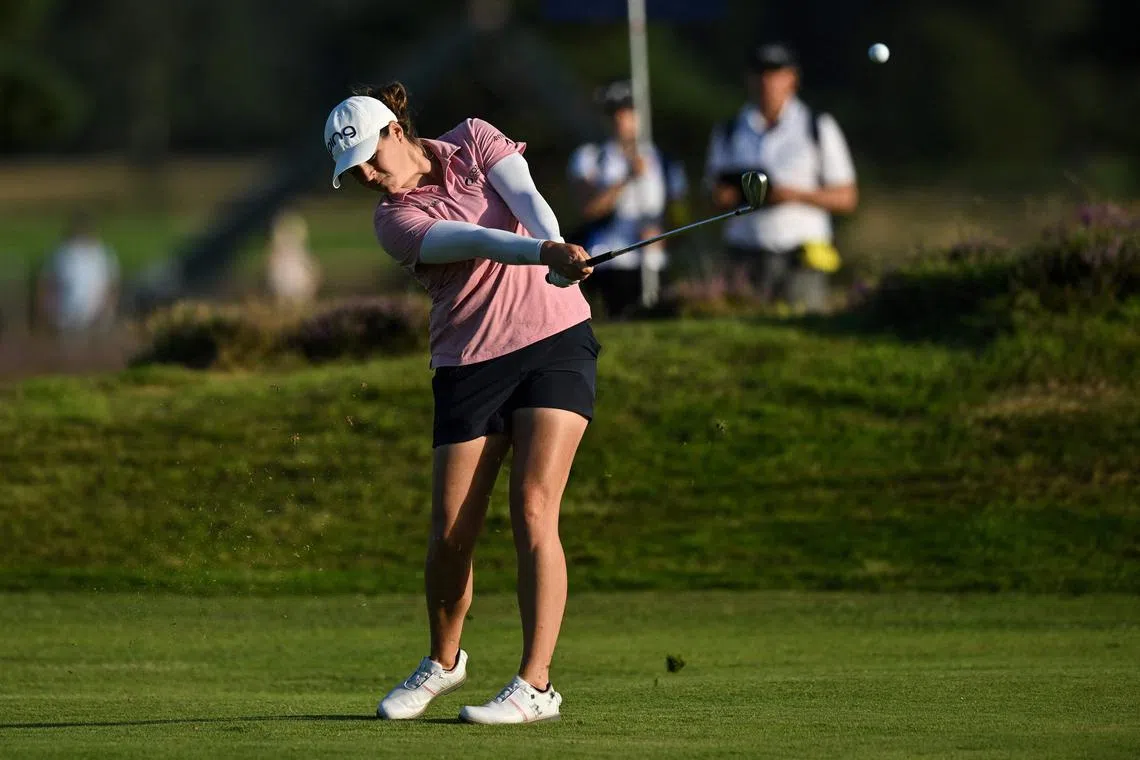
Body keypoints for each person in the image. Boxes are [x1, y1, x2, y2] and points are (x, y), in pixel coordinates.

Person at [323, 83, 596, 725]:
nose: (365, 175)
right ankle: (443, 663)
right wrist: (543, 252)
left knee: (533, 507)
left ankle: (536, 686)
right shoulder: (393, 220)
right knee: (451, 535)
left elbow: (527, 197)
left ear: (395, 131)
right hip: (469, 363)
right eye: (351, 170)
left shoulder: (474, 138)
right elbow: (476, 241)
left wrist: (557, 248)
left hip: (555, 341)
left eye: (367, 157)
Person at [704, 42, 858, 312]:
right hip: (744, 257)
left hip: (801, 259)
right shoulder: (729, 130)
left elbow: (846, 197)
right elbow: (711, 194)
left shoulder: (817, 126)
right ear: (749, 79)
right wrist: (726, 196)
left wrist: (791, 195)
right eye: (760, 73)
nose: (767, 81)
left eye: (775, 73)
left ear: (792, 78)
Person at [567, 80, 684, 318]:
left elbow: (679, 215)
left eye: (628, 112)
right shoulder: (590, 158)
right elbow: (589, 208)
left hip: (653, 263)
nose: (621, 120)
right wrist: (627, 177)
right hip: (609, 262)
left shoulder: (665, 162)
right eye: (614, 113)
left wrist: (662, 235)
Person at [35, 211, 120, 335]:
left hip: (94, 317)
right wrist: (47, 312)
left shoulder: (103, 253)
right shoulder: (61, 253)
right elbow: (45, 283)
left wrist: (107, 312)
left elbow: (112, 286)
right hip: (65, 316)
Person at [265, 210, 321, 307]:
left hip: (296, 279)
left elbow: (310, 264)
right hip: (285, 278)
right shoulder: (280, 241)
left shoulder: (297, 242)